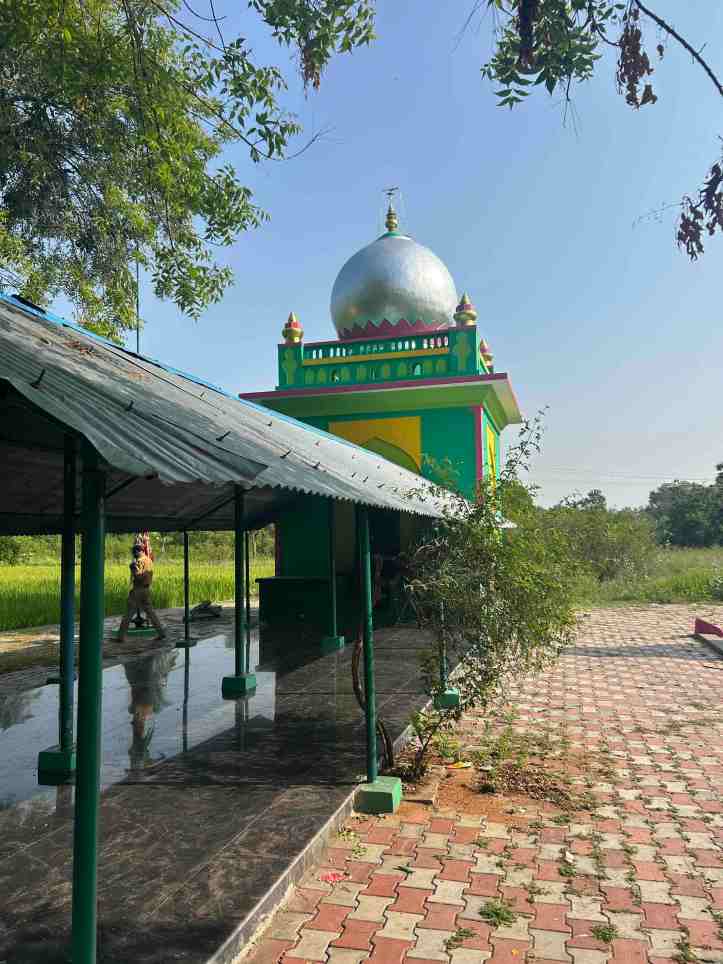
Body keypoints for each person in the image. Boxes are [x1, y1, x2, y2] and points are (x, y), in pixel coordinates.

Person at [117, 535, 166, 643]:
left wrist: (133, 569)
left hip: (138, 590)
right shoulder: (149, 560)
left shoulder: (138, 562)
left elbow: (139, 577)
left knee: (128, 614)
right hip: (146, 590)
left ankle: (120, 637)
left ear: (137, 552)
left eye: (134, 552)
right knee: (151, 613)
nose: (133, 554)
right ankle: (161, 633)